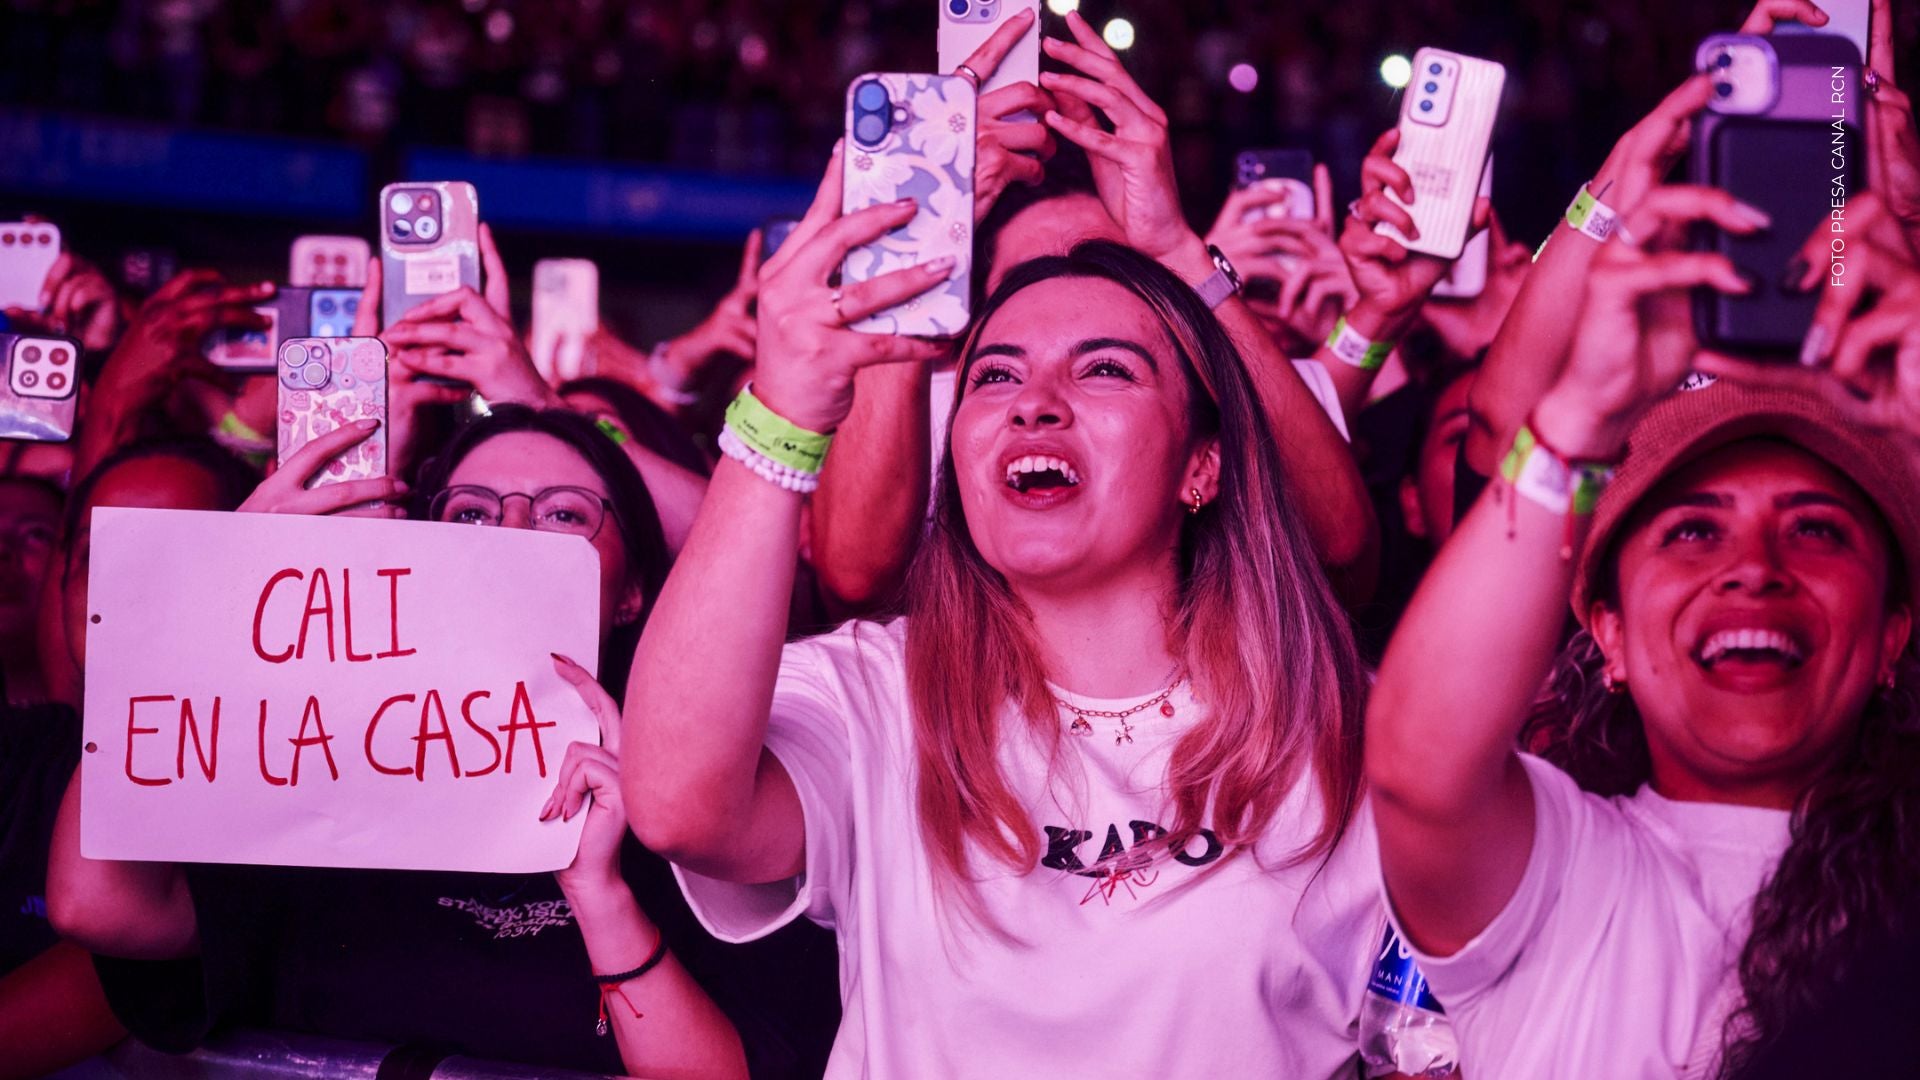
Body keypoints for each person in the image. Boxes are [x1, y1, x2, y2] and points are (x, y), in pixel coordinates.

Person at [620, 103, 1385, 1071]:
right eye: (995, 376)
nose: (1035, 402)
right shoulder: (880, 695)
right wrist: (784, 409)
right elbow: (680, 806)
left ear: (1202, 465)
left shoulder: (1335, 730)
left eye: (1104, 369)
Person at [49, 408, 838, 1077]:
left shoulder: (699, 815)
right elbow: (97, 904)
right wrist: (223, 583)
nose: (513, 535)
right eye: (471, 514)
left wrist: (600, 896)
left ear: (632, 592)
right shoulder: (307, 776)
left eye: (564, 513)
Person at [1366, 173, 1920, 1079]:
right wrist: (1581, 412)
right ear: (1608, 635)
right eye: (1694, 530)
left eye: (1817, 528)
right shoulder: (1556, 871)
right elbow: (1419, 768)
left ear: (1896, 637)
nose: (1753, 565)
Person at [5, 437, 260, 1079]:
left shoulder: (267, 803)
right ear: (64, 591)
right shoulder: (23, 754)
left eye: (174, 555)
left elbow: (94, 974)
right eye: (100, 554)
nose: (128, 585)